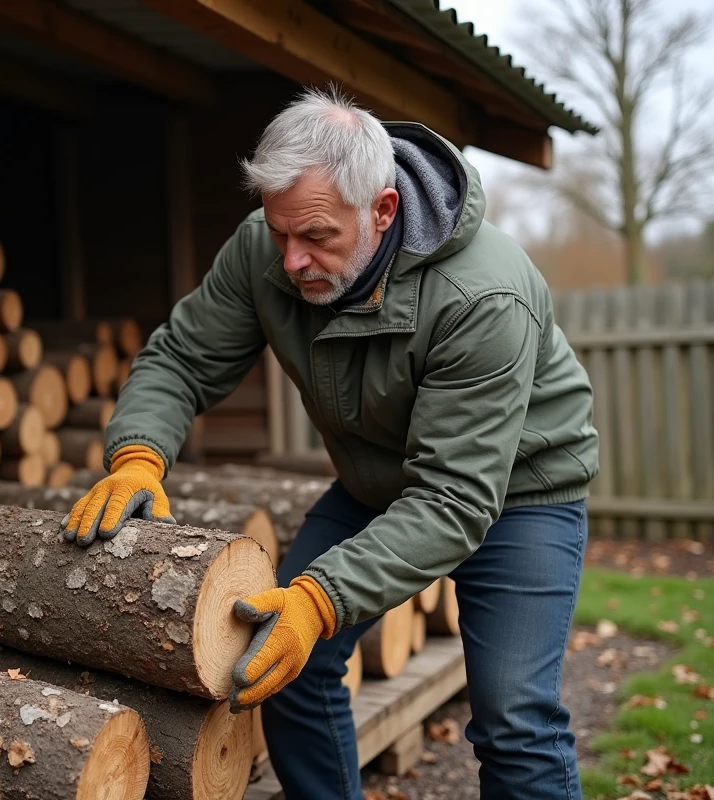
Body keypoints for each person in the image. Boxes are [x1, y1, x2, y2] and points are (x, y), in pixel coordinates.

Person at [61, 88, 599, 800]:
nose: (291, 260)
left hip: (517, 496)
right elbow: (183, 358)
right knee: (276, 664)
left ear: (382, 210)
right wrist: (138, 455)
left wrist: (320, 599)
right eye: (280, 232)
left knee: (514, 719)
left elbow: (455, 497)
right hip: (377, 484)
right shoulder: (267, 246)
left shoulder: (481, 296)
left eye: (316, 237)